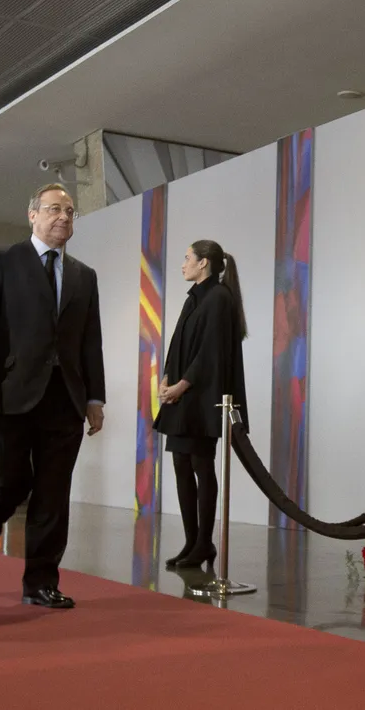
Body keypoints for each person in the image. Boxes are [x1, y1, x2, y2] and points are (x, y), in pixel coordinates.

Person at [0, 183, 105, 609]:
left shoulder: (84, 275)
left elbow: (89, 342)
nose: (63, 217)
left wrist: (95, 397)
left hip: (65, 399)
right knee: (6, 481)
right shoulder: (2, 261)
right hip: (9, 395)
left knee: (53, 493)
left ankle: (40, 581)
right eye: (54, 209)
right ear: (32, 215)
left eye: (70, 211)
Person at [153, 240, 248, 570]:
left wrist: (181, 385)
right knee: (181, 464)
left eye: (187, 258)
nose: (183, 264)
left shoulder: (219, 298)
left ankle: (205, 542)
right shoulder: (195, 297)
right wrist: (166, 379)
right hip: (182, 399)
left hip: (201, 399)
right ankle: (192, 542)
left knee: (200, 466)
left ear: (204, 263)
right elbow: (179, 344)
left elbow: (209, 352)